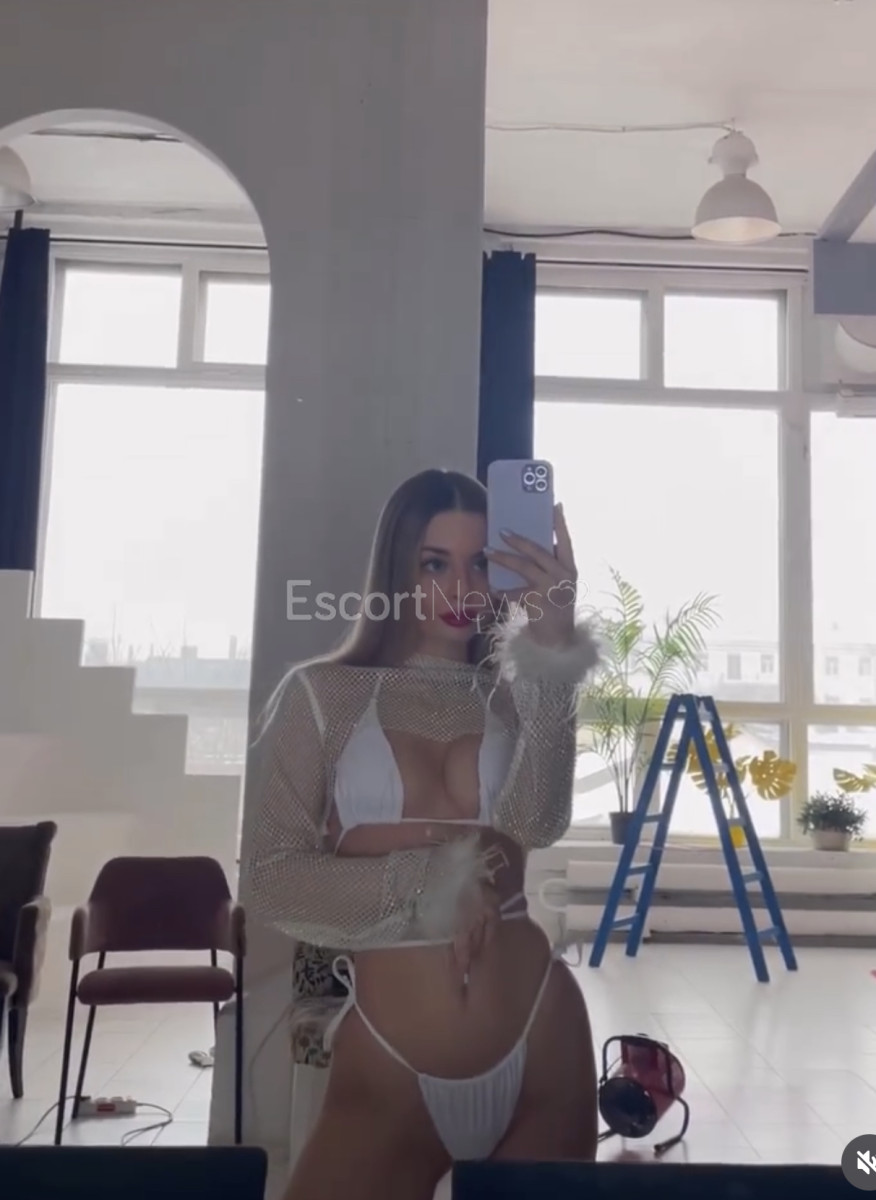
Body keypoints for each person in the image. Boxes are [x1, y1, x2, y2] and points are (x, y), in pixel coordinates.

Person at [247, 468, 601, 1200]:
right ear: (396, 569)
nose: (461, 587)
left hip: (541, 1033)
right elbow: (271, 879)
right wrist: (434, 880)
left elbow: (537, 823)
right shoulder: (324, 694)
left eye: (481, 563)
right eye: (435, 563)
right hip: (389, 1058)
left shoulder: (511, 696)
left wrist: (553, 650)